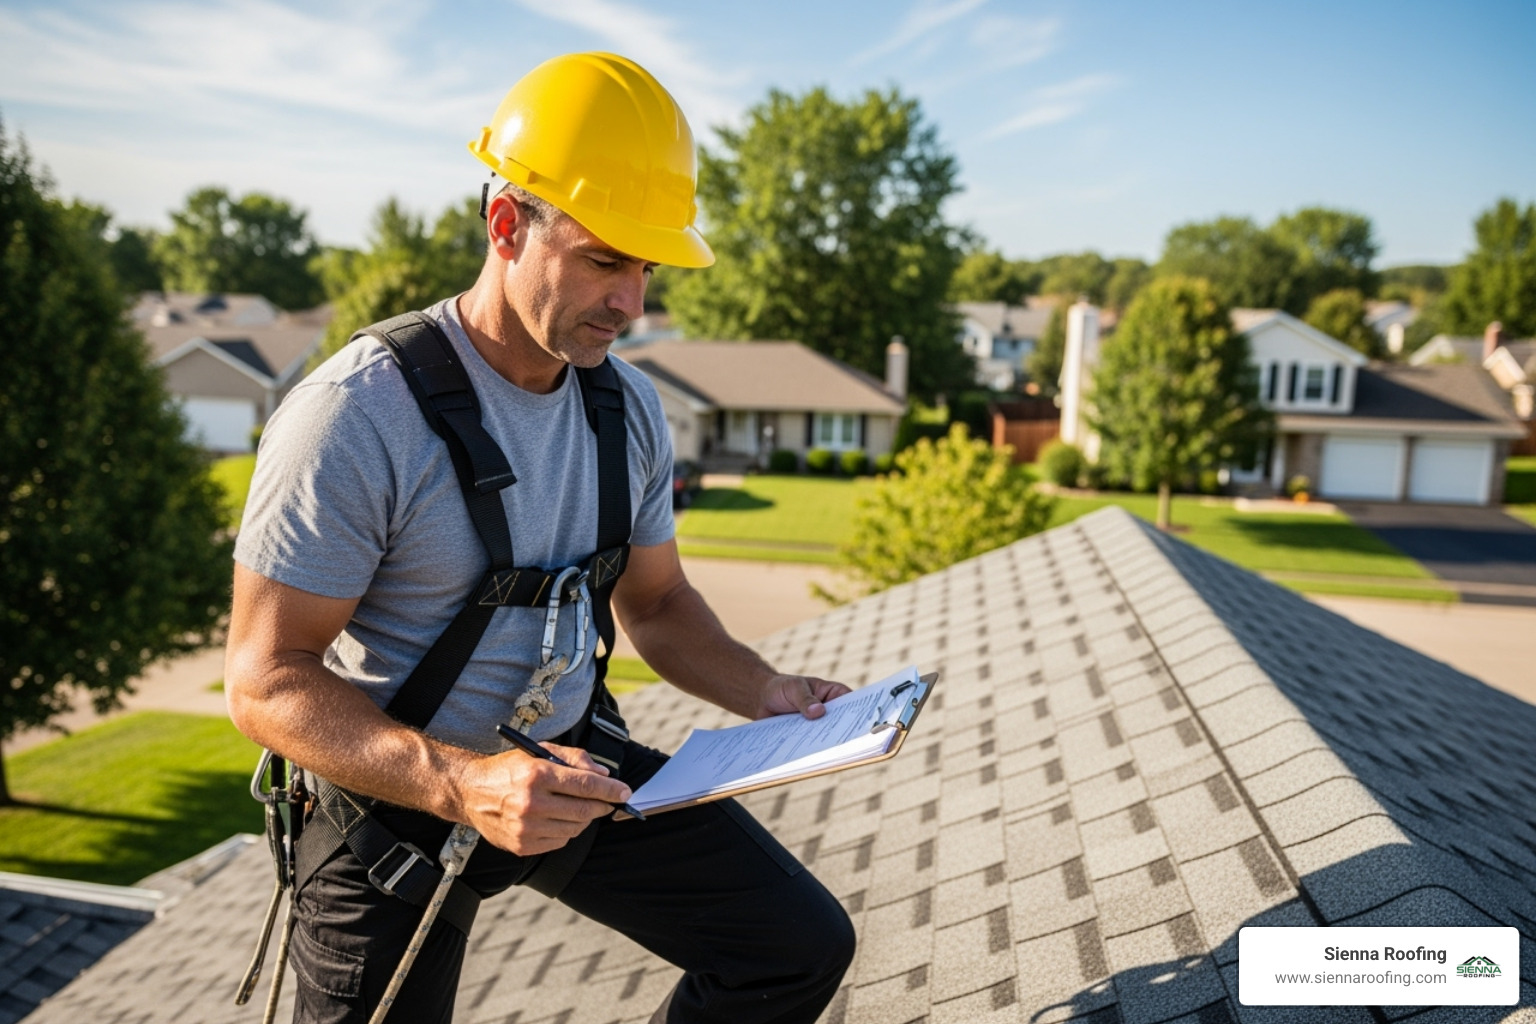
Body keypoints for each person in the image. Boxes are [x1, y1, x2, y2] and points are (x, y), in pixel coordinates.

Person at [225, 51, 856, 1024]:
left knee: (792, 947)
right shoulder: (356, 416)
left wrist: (766, 691)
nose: (632, 302)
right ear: (507, 223)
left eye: (646, 267)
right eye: (605, 259)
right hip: (388, 815)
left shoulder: (627, 409)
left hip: (570, 776)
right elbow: (265, 681)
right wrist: (464, 781)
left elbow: (659, 604)